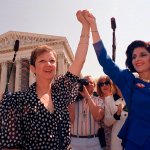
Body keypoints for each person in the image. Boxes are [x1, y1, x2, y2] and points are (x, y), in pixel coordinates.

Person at [0, 10, 90, 150]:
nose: (48, 64)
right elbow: (10, 146)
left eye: (52, 61)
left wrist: (86, 26)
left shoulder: (61, 92)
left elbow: (79, 60)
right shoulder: (15, 101)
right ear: (33, 68)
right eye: (42, 61)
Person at [82, 10, 150, 149]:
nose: (137, 59)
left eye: (143, 54)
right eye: (134, 56)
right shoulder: (130, 82)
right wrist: (94, 27)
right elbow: (105, 61)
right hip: (137, 144)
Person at [68, 75, 104, 150]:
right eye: (86, 82)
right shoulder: (73, 100)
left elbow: (98, 117)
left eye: (91, 82)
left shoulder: (99, 101)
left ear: (94, 86)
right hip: (75, 141)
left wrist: (87, 96)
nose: (88, 84)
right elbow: (70, 119)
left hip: (94, 141)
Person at [97, 75, 128, 150]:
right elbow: (106, 121)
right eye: (101, 84)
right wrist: (116, 114)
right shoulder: (107, 100)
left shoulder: (132, 97)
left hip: (132, 136)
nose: (104, 85)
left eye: (107, 83)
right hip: (114, 137)